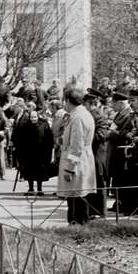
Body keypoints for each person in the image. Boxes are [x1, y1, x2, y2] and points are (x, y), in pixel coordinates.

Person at [57, 88, 96, 225]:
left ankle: (77, 226)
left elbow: (77, 146)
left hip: (77, 162)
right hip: (83, 158)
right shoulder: (82, 114)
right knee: (78, 195)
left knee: (76, 197)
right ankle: (78, 225)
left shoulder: (77, 117)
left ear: (68, 100)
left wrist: (69, 168)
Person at [13, 108, 54, 195]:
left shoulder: (44, 125)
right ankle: (31, 189)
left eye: (35, 117)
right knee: (29, 172)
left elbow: (49, 140)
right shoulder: (25, 126)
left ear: (38, 117)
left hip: (41, 153)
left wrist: (49, 152)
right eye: (32, 117)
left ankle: (39, 189)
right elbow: (20, 140)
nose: (33, 119)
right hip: (29, 154)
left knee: (40, 172)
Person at [83, 89, 110, 216]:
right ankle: (93, 210)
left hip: (97, 154)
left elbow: (102, 134)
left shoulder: (97, 115)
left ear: (89, 104)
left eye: (85, 104)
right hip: (90, 154)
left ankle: (100, 211)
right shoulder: (89, 115)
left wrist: (85, 138)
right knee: (91, 182)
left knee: (99, 183)